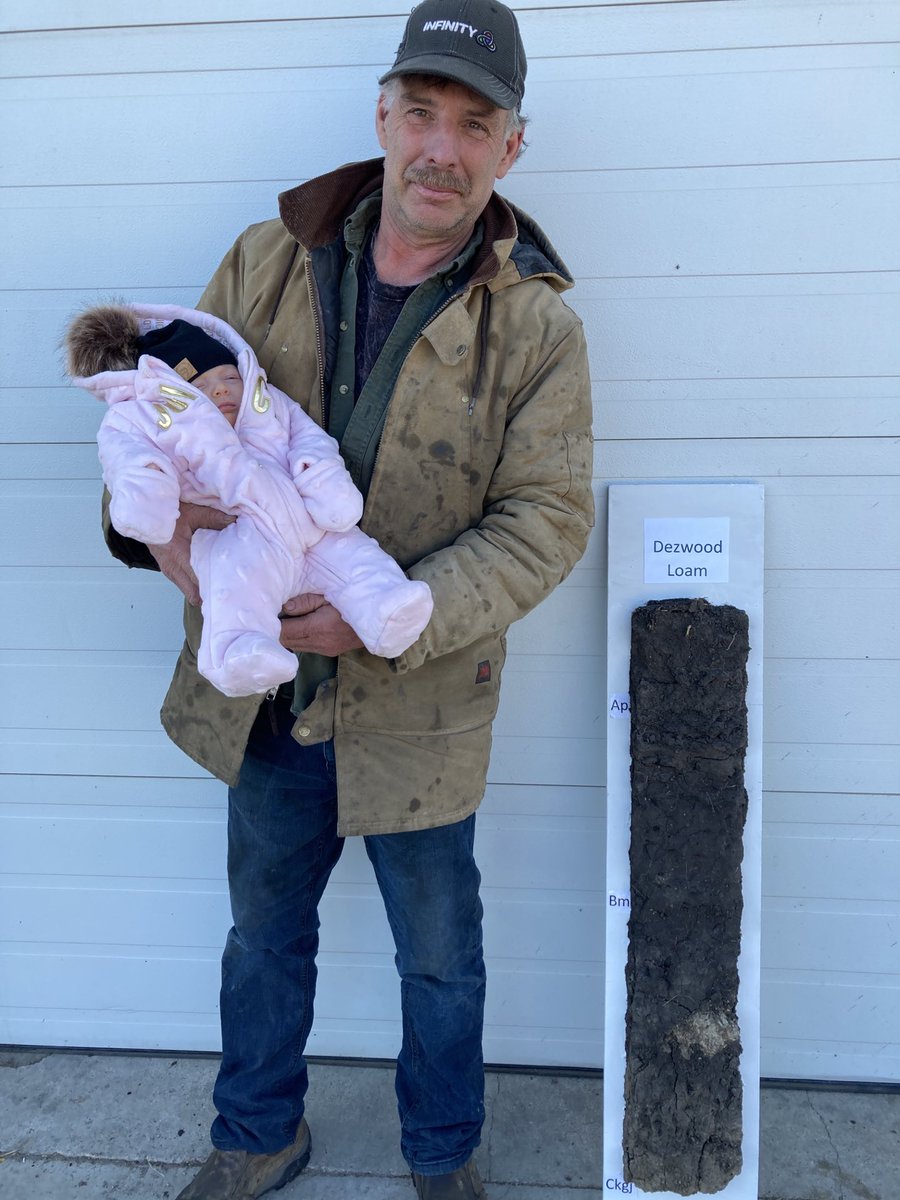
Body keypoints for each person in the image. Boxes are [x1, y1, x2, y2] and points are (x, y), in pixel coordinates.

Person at [101, 1, 594, 1196]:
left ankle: (443, 1155)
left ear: (511, 149)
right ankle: (257, 1132)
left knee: (440, 957)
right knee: (263, 941)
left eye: (475, 125)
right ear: (382, 114)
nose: (441, 147)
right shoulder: (264, 260)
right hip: (269, 699)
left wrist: (404, 605)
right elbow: (150, 413)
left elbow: (549, 518)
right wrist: (170, 549)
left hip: (419, 699)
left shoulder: (533, 324)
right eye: (421, 112)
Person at [67, 304, 433, 697]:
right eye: (202, 386)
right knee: (235, 585)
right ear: (174, 395)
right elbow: (132, 461)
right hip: (236, 534)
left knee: (356, 554)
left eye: (228, 376)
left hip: (309, 522)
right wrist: (147, 505)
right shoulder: (143, 420)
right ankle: (239, 654)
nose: (222, 388)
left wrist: (324, 480)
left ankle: (386, 611)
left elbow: (308, 440)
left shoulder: (268, 403)